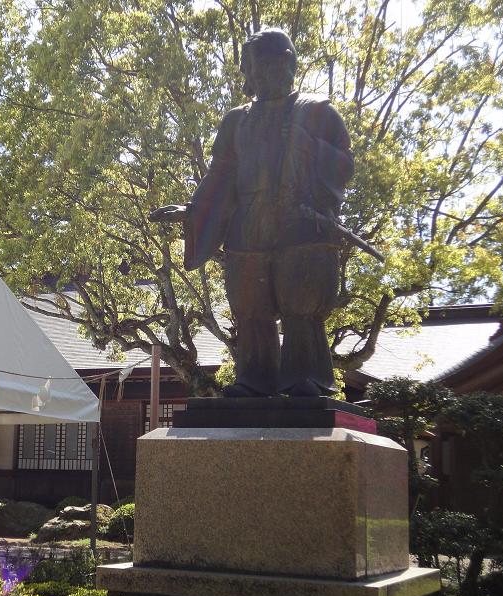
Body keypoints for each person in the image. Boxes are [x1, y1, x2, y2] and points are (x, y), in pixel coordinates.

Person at [151, 29, 354, 397]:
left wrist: (307, 145)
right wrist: (194, 211)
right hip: (248, 224)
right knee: (250, 307)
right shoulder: (236, 121)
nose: (254, 75)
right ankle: (254, 379)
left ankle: (307, 377)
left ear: (286, 63)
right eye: (249, 68)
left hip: (300, 223)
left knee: (301, 302)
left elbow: (344, 166)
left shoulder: (318, 112)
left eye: (261, 65)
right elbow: (221, 175)